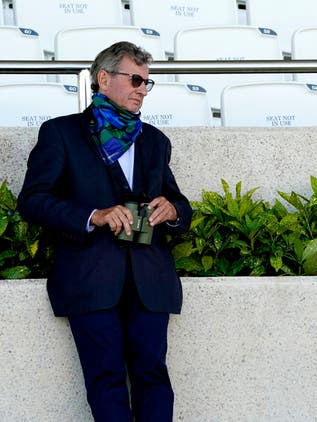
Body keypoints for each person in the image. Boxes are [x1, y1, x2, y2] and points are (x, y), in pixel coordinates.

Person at [18, 41, 192, 421]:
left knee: (153, 377)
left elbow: (181, 205)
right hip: (90, 277)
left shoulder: (155, 141)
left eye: (146, 83)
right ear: (103, 79)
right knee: (106, 378)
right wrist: (93, 215)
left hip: (149, 280)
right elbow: (32, 200)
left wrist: (172, 209)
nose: (141, 90)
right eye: (134, 79)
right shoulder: (61, 133)